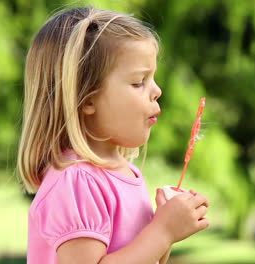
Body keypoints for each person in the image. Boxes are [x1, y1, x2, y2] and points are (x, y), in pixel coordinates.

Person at [17, 6, 210, 264]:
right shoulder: (76, 181)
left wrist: (168, 227)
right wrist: (162, 231)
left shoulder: (126, 173)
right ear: (86, 98)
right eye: (138, 82)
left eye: (152, 78)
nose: (157, 90)